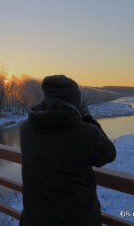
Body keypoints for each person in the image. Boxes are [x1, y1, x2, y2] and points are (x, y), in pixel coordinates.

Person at [20, 75, 116, 226]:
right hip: (78, 220)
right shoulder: (85, 132)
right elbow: (109, 154)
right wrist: (88, 118)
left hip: (35, 218)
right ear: (75, 101)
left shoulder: (26, 128)